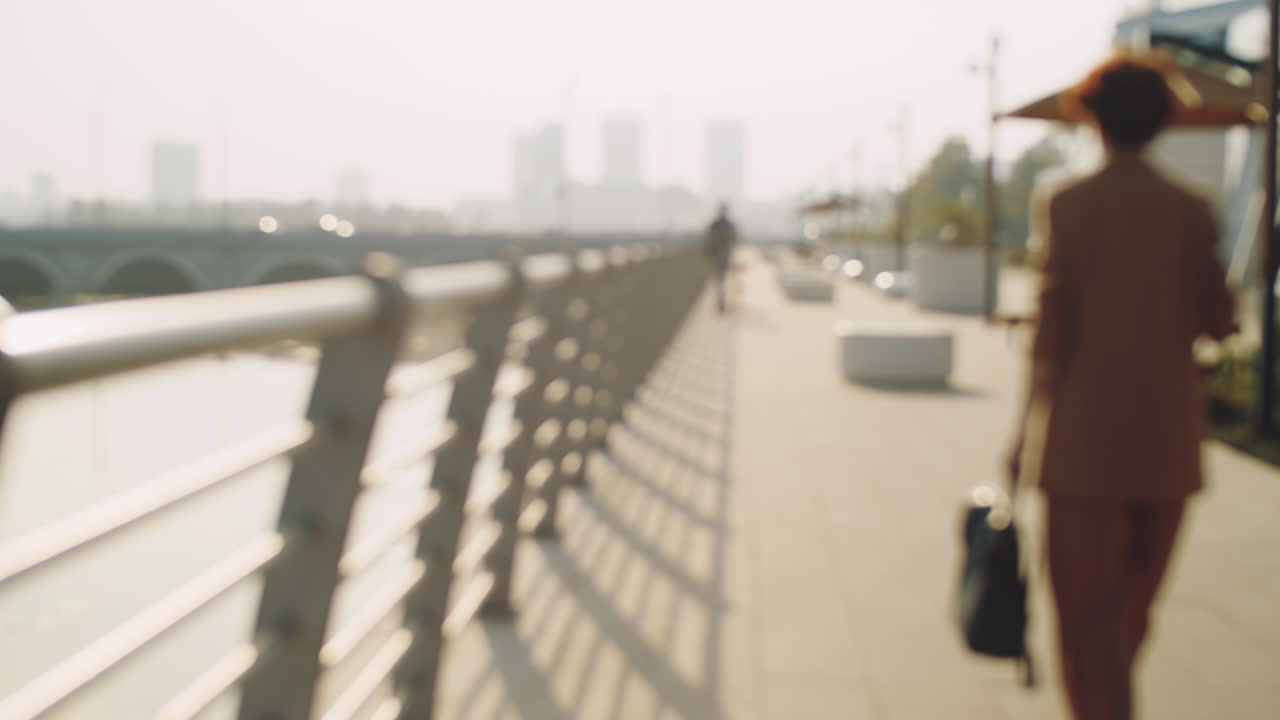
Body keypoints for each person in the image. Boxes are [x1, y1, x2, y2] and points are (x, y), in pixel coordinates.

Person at [1006, 53, 1235, 720]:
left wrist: (1022, 436)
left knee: (1083, 620)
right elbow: (1219, 322)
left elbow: (1050, 337)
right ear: (1163, 122)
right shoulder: (1193, 209)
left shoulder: (1067, 204)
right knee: (1133, 614)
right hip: (1167, 444)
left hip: (1082, 446)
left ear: (1094, 121)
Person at [703, 203, 738, 313]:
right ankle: (721, 302)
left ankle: (722, 302)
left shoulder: (720, 224)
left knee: (721, 280)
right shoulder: (720, 225)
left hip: (722, 255)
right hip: (720, 255)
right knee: (720, 280)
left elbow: (732, 239)